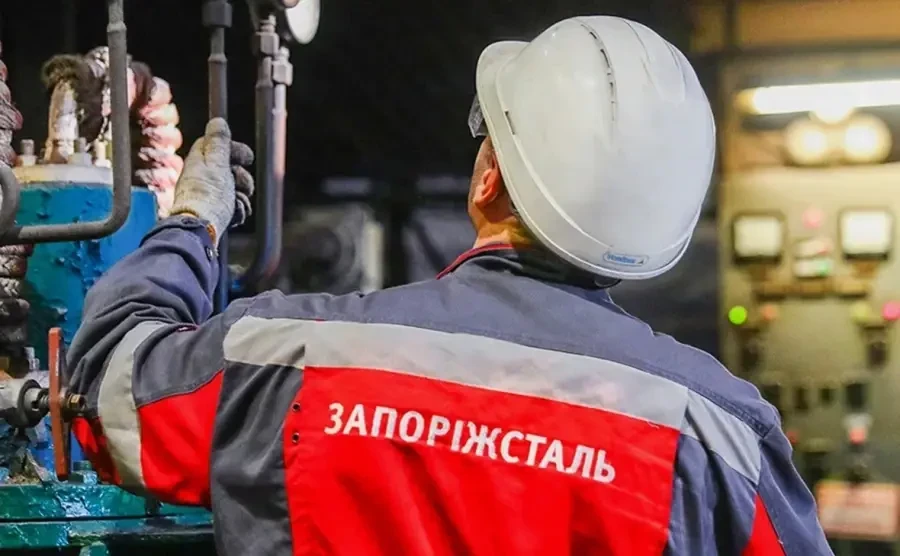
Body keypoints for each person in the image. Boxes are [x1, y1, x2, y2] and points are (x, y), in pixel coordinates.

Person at [65, 15, 831, 556]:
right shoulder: (720, 438)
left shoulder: (287, 362)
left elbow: (105, 386)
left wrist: (192, 224)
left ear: (489, 177)